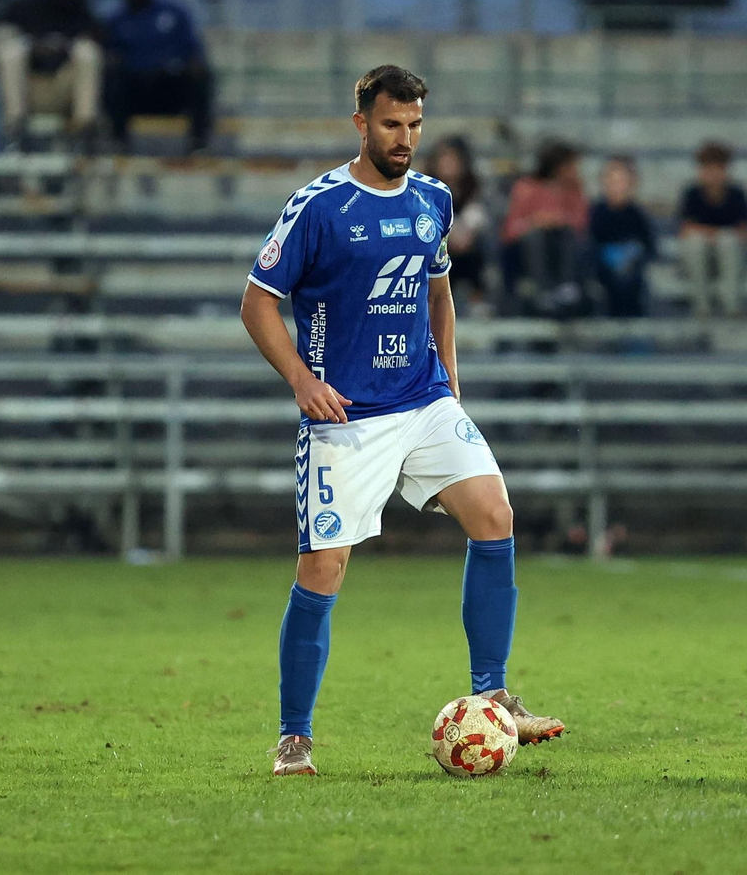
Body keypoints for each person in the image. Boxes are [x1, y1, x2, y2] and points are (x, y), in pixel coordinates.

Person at [239, 65, 565, 777]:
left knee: (495, 513)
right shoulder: (318, 207)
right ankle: (295, 737)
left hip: (423, 402)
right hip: (346, 417)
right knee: (323, 568)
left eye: (415, 126)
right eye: (392, 125)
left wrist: (449, 381)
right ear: (362, 123)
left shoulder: (433, 199)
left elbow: (438, 291)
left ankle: (495, 696)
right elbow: (256, 302)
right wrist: (301, 382)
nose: (405, 139)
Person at [101, 0, 211, 154]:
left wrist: (194, 64)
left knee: (201, 75)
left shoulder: (174, 12)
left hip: (170, 87)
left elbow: (193, 52)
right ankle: (118, 140)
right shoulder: (117, 20)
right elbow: (111, 54)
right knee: (112, 77)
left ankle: (199, 141)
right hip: (135, 91)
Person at [0, 0, 100, 150]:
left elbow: (96, 44)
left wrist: (64, 48)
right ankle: (15, 134)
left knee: (87, 51)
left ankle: (84, 133)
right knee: (11, 51)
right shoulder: (20, 8)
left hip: (64, 92)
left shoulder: (79, 11)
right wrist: (32, 47)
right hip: (28, 91)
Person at [500, 141, 590, 317]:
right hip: (528, 252)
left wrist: (560, 220)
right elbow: (510, 231)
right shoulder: (526, 188)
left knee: (567, 234)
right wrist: (535, 222)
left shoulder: (574, 190)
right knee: (536, 237)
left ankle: (567, 286)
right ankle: (543, 290)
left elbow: (582, 225)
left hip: (564, 249)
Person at [677, 141, 747, 318]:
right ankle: (701, 307)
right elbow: (686, 229)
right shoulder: (692, 194)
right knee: (696, 243)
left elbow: (745, 230)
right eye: (708, 169)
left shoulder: (737, 194)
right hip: (700, 252)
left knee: (728, 242)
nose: (713, 175)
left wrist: (719, 237)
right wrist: (714, 235)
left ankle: (732, 306)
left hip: (729, 253)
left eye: (717, 169)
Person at [422, 137, 492, 312]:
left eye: (453, 159)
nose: (448, 164)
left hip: (467, 246)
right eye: (444, 159)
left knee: (477, 248)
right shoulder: (424, 189)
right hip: (436, 243)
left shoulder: (473, 188)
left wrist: (466, 231)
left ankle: (477, 300)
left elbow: (478, 215)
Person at [589, 155, 657, 318]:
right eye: (612, 180)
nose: (616, 186)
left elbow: (649, 248)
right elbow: (589, 245)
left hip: (632, 275)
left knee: (631, 280)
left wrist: (631, 254)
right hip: (603, 272)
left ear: (631, 184)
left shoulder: (637, 215)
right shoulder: (595, 213)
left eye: (621, 181)